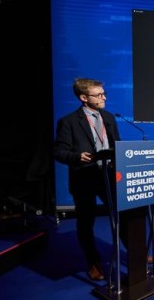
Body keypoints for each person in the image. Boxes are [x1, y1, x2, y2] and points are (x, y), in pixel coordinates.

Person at [53, 78, 148, 281]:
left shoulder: (109, 117)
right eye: (99, 95)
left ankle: (136, 254)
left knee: (122, 216)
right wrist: (76, 157)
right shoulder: (68, 121)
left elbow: (117, 144)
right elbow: (59, 152)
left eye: (104, 93)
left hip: (109, 176)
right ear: (84, 97)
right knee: (86, 222)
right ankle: (93, 262)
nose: (104, 97)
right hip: (84, 178)